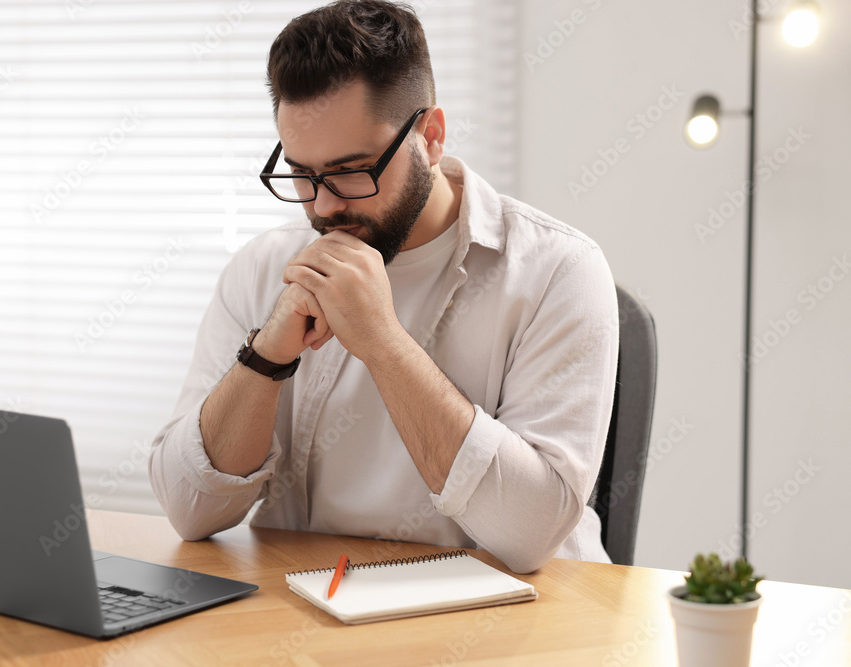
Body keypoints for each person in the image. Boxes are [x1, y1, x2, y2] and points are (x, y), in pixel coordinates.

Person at [149, 0, 618, 574]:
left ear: (431, 136)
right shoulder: (264, 266)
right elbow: (189, 512)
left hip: (508, 624)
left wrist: (384, 343)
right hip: (303, 615)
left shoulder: (557, 271)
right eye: (301, 173)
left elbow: (529, 533)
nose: (323, 205)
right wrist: (266, 357)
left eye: (351, 170)